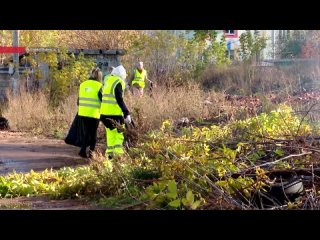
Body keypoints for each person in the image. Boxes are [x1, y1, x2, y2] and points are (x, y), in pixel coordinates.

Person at [100, 65, 131, 159]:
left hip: (104, 114)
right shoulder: (118, 82)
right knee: (119, 134)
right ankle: (118, 155)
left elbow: (100, 94)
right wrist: (126, 113)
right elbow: (119, 99)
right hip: (115, 115)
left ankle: (109, 155)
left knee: (110, 134)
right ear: (122, 75)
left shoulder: (108, 81)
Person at [77, 67, 103, 158]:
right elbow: (102, 100)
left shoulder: (83, 84)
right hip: (94, 113)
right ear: (99, 76)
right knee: (93, 133)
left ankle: (83, 151)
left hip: (83, 112)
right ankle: (91, 153)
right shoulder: (99, 86)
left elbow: (78, 101)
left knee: (87, 132)